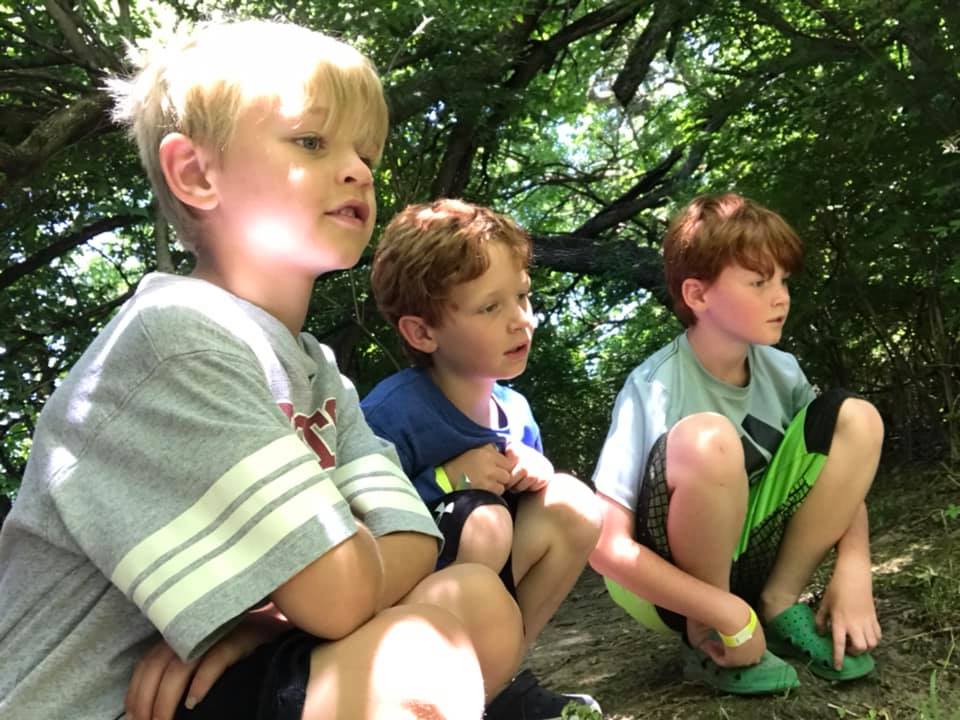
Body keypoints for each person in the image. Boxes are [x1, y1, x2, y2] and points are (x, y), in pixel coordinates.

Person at [0, 20, 524, 720]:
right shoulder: (180, 342)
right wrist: (310, 596)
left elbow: (416, 542)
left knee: (478, 603)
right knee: (411, 657)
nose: (359, 170)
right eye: (312, 141)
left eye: (364, 151)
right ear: (196, 173)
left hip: (207, 674)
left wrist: (268, 614)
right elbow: (340, 591)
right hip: (104, 703)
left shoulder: (317, 372)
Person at [589, 193, 883, 694]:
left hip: (757, 551)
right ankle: (712, 632)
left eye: (783, 279)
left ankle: (777, 604)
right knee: (709, 439)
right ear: (698, 296)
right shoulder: (654, 386)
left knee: (855, 417)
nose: (781, 296)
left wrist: (855, 568)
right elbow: (605, 545)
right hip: (670, 586)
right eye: (758, 281)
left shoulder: (781, 369)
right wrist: (717, 609)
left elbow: (827, 465)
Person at [361, 198, 604, 719]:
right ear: (422, 332)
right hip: (406, 613)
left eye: (522, 297)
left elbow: (533, 513)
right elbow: (361, 524)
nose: (521, 320)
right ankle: (437, 692)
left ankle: (498, 683)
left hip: (492, 593)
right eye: (491, 307)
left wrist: (535, 476)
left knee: (573, 503)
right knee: (484, 522)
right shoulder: (391, 413)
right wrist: (447, 479)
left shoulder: (515, 410)